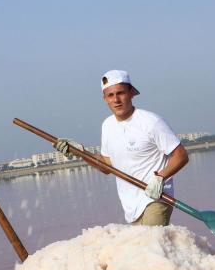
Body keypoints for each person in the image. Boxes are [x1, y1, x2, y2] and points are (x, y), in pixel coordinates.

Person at [56, 69, 189, 226]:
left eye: (121, 93)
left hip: (156, 198)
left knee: (151, 246)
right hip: (130, 206)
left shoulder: (151, 121)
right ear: (105, 99)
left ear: (131, 93)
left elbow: (181, 155)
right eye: (110, 95)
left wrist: (160, 178)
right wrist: (81, 153)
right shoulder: (107, 126)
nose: (116, 100)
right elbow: (107, 166)